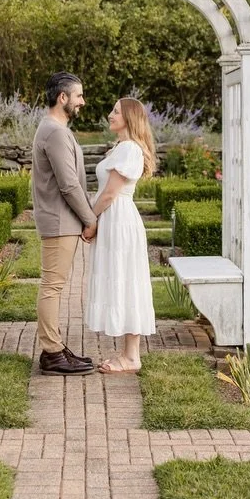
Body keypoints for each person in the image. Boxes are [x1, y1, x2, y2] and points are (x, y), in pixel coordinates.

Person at [83, 96, 158, 373]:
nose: (110, 115)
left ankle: (131, 357)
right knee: (123, 279)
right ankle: (129, 355)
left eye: (115, 111)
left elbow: (111, 193)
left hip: (120, 219)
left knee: (127, 280)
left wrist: (90, 220)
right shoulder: (122, 148)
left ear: (129, 118)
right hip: (115, 219)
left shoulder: (129, 149)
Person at [30, 71, 98, 375]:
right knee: (52, 287)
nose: (82, 101)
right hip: (60, 221)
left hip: (62, 221)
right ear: (63, 98)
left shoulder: (54, 128)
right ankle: (51, 352)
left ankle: (55, 347)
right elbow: (69, 184)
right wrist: (90, 219)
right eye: (79, 95)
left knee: (54, 286)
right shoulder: (55, 132)